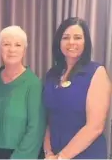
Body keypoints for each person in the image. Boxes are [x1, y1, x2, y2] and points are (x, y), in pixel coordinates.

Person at [43, 17, 112, 159]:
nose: (71, 42)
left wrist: (62, 157)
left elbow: (95, 126)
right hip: (54, 154)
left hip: (87, 154)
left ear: (85, 42)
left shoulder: (96, 72)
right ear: (59, 42)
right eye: (66, 37)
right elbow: (49, 119)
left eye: (78, 37)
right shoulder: (52, 74)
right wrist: (48, 152)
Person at [0, 26, 46, 159]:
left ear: (24, 50)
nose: (12, 49)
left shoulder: (33, 84)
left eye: (18, 45)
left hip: (23, 156)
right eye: (6, 44)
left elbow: (36, 129)